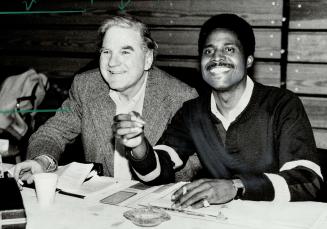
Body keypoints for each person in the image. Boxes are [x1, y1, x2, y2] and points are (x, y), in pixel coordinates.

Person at [114, 14, 324, 208]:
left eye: (229, 49)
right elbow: (159, 172)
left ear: (248, 60)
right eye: (208, 51)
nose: (217, 57)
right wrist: (138, 146)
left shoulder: (281, 104)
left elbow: (308, 180)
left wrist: (236, 186)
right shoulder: (192, 111)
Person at [13, 15, 198, 184]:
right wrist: (42, 161)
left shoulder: (180, 97)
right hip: (100, 206)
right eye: (106, 52)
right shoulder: (86, 86)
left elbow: (192, 168)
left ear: (148, 58)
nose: (112, 63)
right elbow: (52, 133)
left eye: (125, 52)